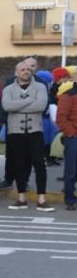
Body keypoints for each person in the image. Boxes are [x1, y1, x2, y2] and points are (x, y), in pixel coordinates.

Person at [2, 61, 53, 211]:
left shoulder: (40, 87)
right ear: (16, 72)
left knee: (39, 164)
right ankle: (21, 197)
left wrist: (19, 104)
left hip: (35, 131)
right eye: (22, 69)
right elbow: (7, 106)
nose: (26, 71)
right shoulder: (8, 89)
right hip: (15, 131)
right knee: (19, 164)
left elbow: (41, 106)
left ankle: (42, 198)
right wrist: (30, 100)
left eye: (28, 69)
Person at [57, 76, 77, 211]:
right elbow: (61, 118)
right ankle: (70, 199)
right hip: (73, 137)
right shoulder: (68, 95)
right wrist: (71, 134)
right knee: (71, 170)